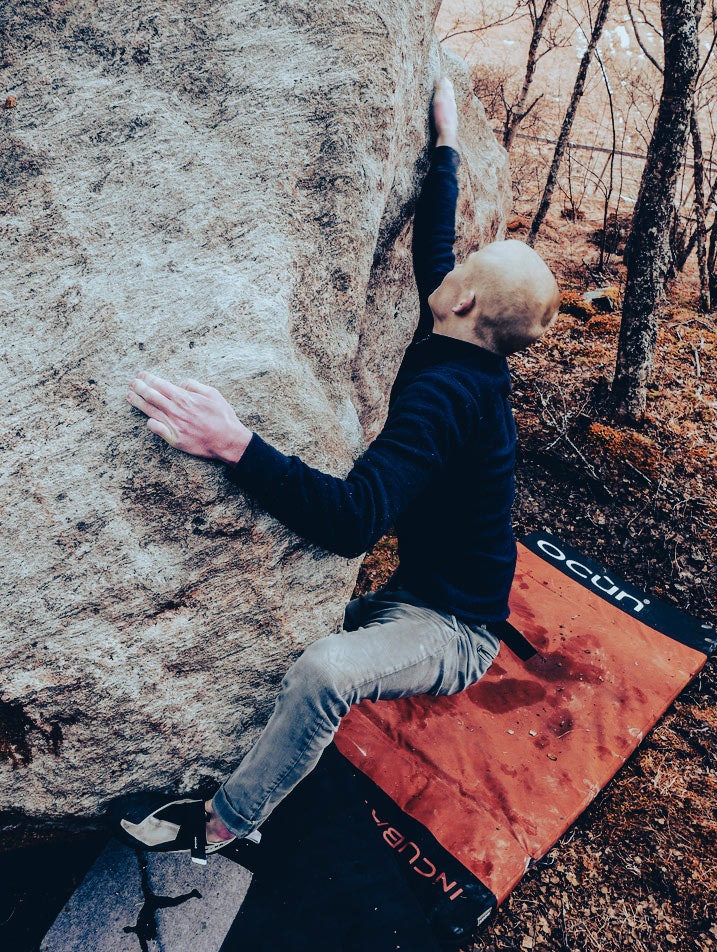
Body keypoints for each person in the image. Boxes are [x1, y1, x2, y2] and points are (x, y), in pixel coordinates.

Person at [112, 77, 560, 864]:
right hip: (418, 593)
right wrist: (444, 142)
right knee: (274, 660)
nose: (452, 263)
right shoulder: (467, 337)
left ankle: (220, 826)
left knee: (323, 672)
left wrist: (233, 443)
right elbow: (434, 242)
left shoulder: (446, 402)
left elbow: (353, 519)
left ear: (461, 303)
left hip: (453, 630)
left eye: (470, 263)